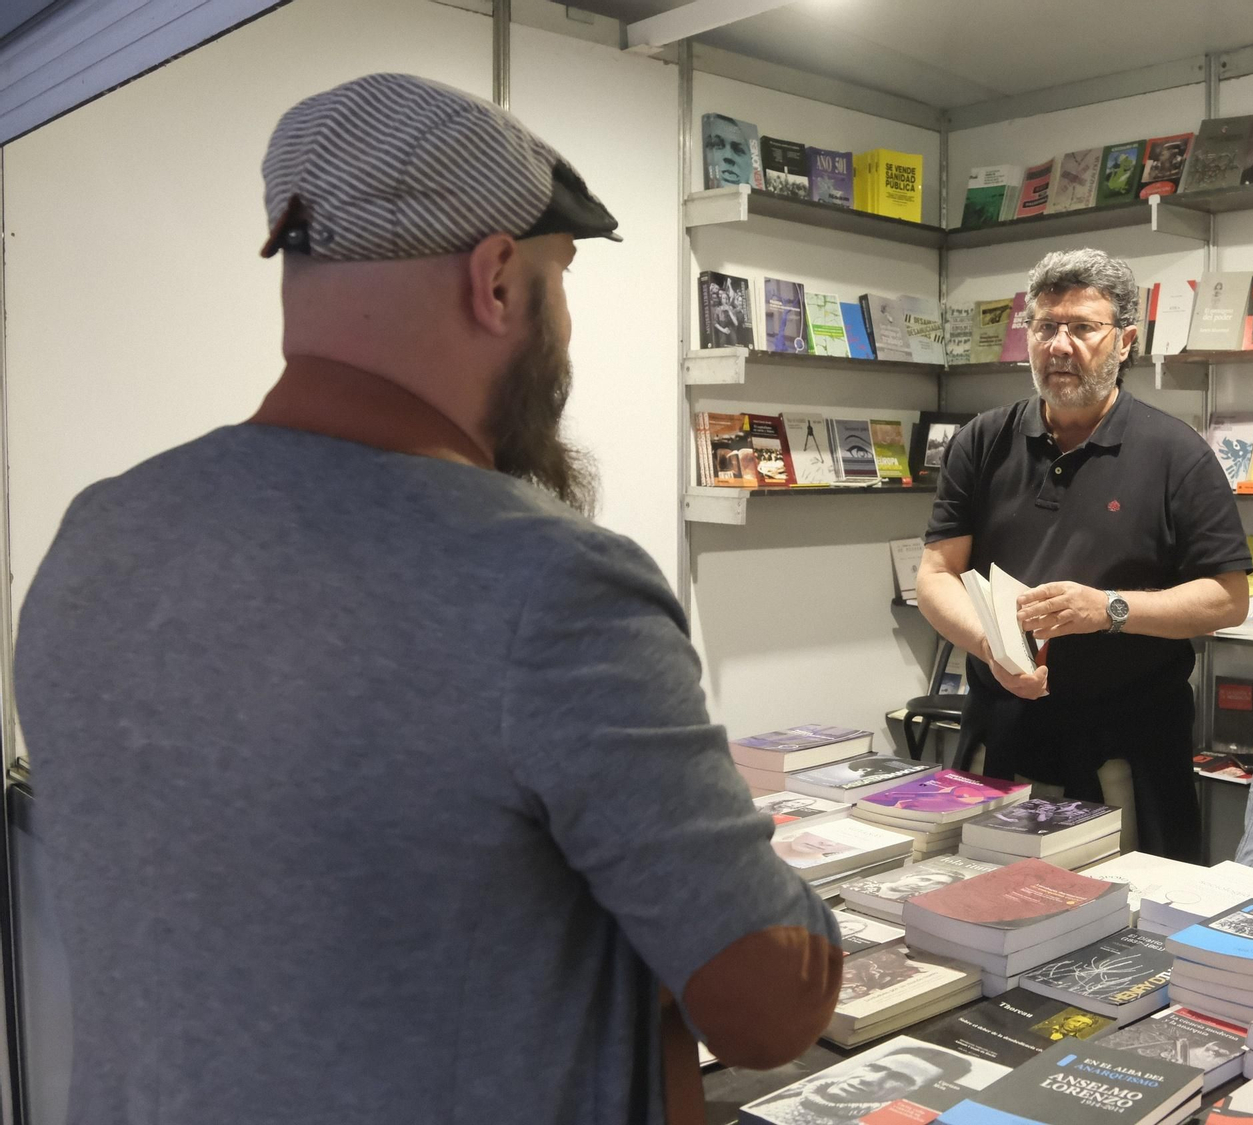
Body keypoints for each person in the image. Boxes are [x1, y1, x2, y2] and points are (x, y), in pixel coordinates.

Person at [13, 74, 840, 1125]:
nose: (566, 326)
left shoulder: (98, 533)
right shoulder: (551, 583)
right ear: (494, 282)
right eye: (559, 278)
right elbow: (770, 1004)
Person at [917, 249, 1251, 861]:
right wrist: (992, 646)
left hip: (1127, 750)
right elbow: (936, 575)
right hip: (1001, 734)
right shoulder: (981, 442)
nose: (1059, 346)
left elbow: (1228, 599)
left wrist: (1109, 609)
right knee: (982, 899)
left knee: (1125, 911)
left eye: (1082, 327)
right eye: (1045, 326)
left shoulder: (1177, 454)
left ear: (1125, 341)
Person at [747, 1046, 976, 1125]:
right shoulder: (788, 1092)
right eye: (875, 1068)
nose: (870, 1080)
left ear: (916, 1092)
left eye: (899, 1079)